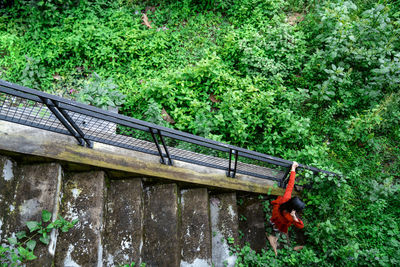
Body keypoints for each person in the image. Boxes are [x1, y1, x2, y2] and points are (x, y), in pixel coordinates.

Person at [267, 161, 305, 256]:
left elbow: (290, 185)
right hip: (282, 222)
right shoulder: (290, 217)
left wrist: (293, 168)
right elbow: (301, 226)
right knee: (278, 227)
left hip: (276, 213)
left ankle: (272, 223)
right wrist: (294, 218)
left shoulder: (286, 199)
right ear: (294, 209)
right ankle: (274, 232)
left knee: (274, 220)